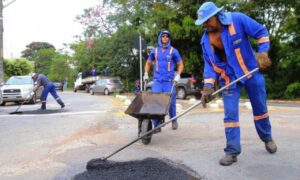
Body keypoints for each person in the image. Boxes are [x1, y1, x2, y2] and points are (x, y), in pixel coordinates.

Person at [195, 2, 277, 166]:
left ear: (215, 16)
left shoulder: (237, 20)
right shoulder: (205, 40)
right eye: (202, 21)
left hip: (250, 72)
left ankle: (267, 138)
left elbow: (261, 32)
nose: (204, 24)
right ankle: (232, 151)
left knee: (260, 108)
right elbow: (209, 65)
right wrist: (208, 87)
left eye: (206, 20)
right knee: (230, 115)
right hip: (229, 78)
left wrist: (262, 52)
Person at [143, 30, 184, 132]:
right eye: (163, 36)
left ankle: (173, 120)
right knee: (155, 101)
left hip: (169, 82)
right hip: (157, 81)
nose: (165, 38)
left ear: (169, 38)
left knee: (170, 102)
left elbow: (180, 64)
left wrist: (178, 75)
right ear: (160, 38)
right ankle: (157, 124)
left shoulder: (173, 51)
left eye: (167, 36)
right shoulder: (155, 51)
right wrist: (146, 73)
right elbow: (148, 63)